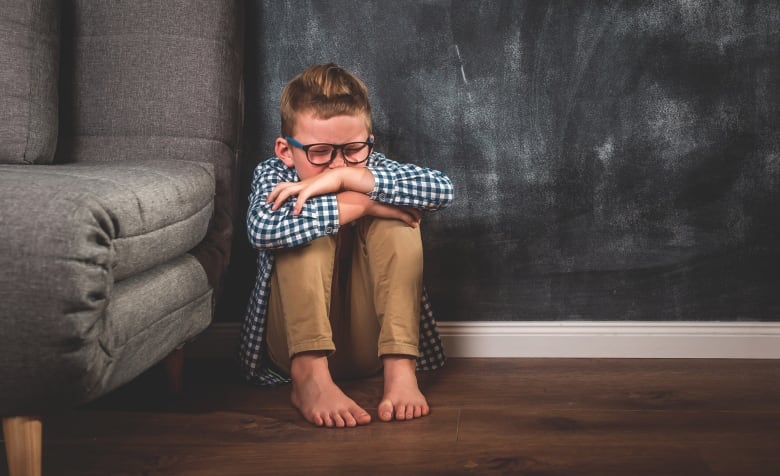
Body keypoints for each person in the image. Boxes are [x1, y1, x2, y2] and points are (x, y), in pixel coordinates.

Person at [239, 63, 454, 428]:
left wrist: (347, 179)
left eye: (353, 149)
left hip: (372, 342)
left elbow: (442, 189)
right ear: (286, 151)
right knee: (298, 226)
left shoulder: (369, 167)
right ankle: (310, 377)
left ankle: (401, 371)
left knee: (395, 221)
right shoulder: (274, 174)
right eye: (320, 152)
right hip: (292, 343)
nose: (338, 163)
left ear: (369, 142)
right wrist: (365, 203)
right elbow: (261, 230)